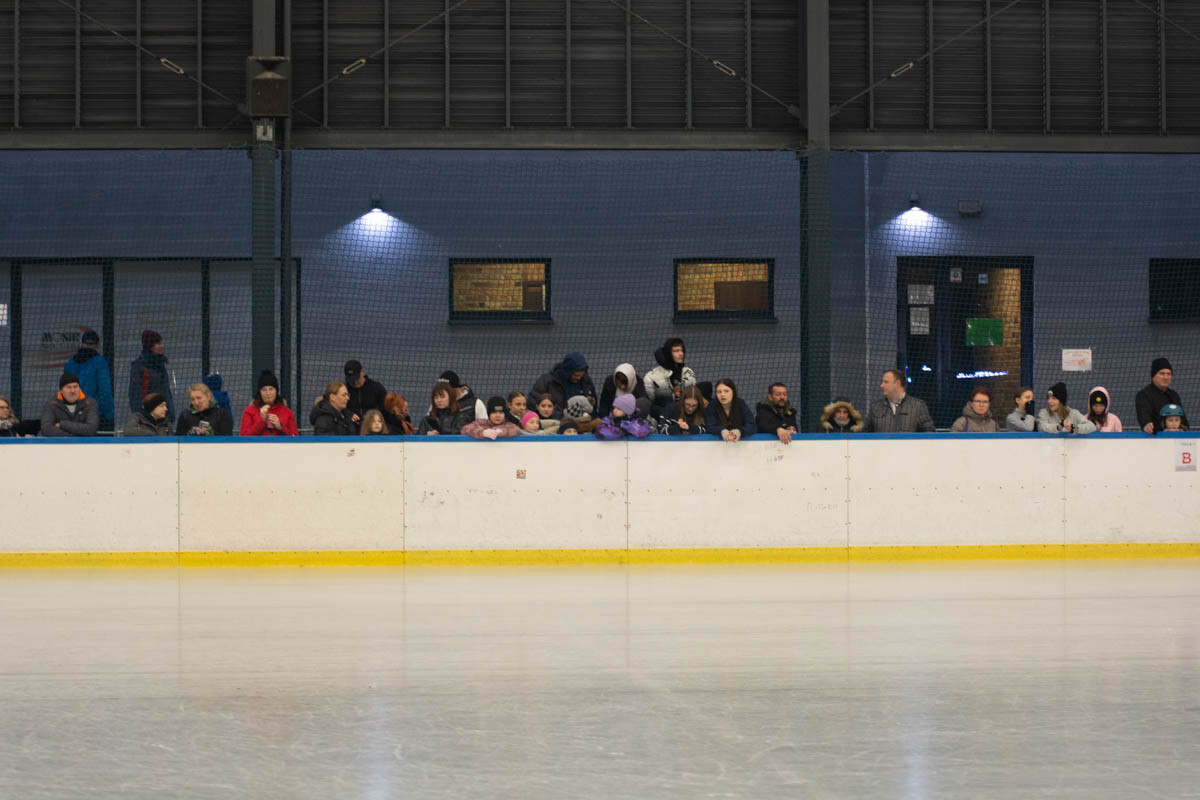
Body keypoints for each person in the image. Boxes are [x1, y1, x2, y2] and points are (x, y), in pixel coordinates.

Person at [64, 329, 114, 429]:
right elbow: (105, 390)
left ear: (82, 343)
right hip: (95, 414)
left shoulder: (70, 363)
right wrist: (109, 414)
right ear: (97, 344)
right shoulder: (100, 362)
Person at [863, 370, 935, 433]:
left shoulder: (918, 406)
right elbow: (864, 435)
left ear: (897, 383)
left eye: (886, 382)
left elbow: (930, 433)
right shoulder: (875, 407)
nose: (882, 385)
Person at [128, 329, 175, 422]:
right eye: (157, 343)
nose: (161, 346)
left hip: (164, 416)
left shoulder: (161, 365)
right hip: (147, 416)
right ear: (150, 346)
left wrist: (170, 413)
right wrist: (139, 415)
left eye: (160, 343)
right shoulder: (139, 367)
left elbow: (166, 391)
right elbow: (135, 393)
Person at [644, 338, 696, 416]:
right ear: (668, 354)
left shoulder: (688, 374)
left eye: (682, 350)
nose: (681, 354)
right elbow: (649, 405)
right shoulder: (652, 377)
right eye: (676, 351)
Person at [1136, 358, 1189, 434]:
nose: (1165, 377)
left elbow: (1184, 423)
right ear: (1153, 376)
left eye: (1169, 374)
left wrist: (1181, 429)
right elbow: (1144, 417)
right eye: (1162, 373)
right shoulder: (1144, 395)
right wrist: (1147, 425)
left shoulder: (1174, 395)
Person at [529, 353, 597, 411]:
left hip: (581, 421)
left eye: (581, 375)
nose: (579, 378)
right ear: (568, 371)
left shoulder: (586, 381)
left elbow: (592, 405)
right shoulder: (547, 380)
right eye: (576, 375)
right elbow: (533, 402)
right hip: (554, 422)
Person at [239, 370, 298, 437]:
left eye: (271, 389)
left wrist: (280, 427)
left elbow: (295, 437)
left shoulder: (287, 412)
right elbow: (244, 437)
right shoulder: (249, 411)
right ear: (260, 392)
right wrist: (261, 421)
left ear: (276, 391)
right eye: (264, 390)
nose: (268, 393)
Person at [41, 373, 99, 438]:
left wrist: (62, 424)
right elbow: (46, 429)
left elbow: (91, 429)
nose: (73, 391)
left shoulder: (90, 403)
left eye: (75, 386)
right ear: (61, 390)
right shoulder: (51, 405)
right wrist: (73, 438)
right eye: (69, 387)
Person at [705, 378, 756, 442]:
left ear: (733, 392)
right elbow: (709, 426)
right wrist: (722, 431)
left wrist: (739, 431)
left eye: (726, 391)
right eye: (719, 392)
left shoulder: (741, 404)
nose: (722, 394)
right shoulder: (712, 406)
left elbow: (752, 425)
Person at [343, 360, 387, 425]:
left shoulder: (377, 388)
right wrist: (349, 414)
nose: (355, 382)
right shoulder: (343, 391)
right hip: (352, 428)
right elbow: (338, 408)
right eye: (351, 380)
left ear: (362, 372)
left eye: (356, 378)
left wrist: (372, 416)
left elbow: (385, 408)